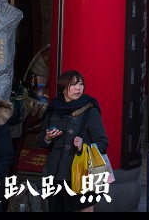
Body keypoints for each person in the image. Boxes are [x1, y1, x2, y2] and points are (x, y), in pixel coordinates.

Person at [40, 70, 108, 212]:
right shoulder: (54, 109)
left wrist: (84, 146)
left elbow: (103, 142)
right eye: (73, 85)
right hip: (56, 174)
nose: (78, 88)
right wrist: (48, 138)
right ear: (63, 88)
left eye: (81, 84)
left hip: (80, 173)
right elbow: (41, 141)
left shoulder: (90, 109)